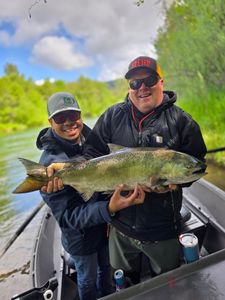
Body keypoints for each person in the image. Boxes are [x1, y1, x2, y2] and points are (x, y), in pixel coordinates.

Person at [83, 56, 207, 283]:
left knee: (168, 282)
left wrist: (177, 182)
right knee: (124, 282)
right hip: (120, 227)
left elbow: (197, 163)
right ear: (129, 88)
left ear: (161, 82)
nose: (142, 88)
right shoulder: (112, 116)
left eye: (148, 80)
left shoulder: (182, 122)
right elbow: (91, 153)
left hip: (163, 229)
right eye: (134, 83)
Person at [37, 92, 146, 300]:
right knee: (86, 279)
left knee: (107, 269)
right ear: (50, 121)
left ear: (80, 115)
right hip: (81, 241)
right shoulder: (49, 167)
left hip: (106, 229)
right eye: (61, 118)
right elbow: (69, 218)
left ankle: (109, 294)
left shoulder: (94, 139)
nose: (69, 122)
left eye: (74, 115)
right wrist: (109, 209)